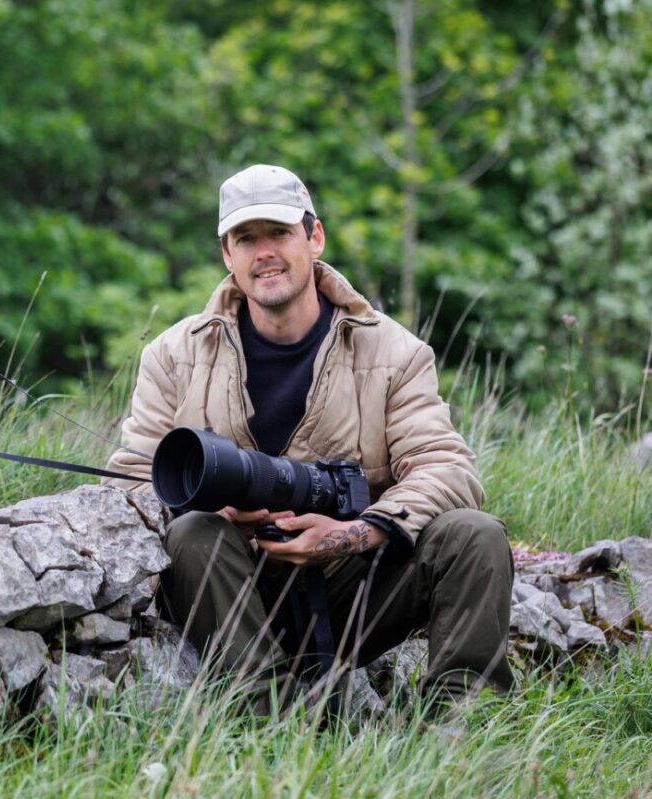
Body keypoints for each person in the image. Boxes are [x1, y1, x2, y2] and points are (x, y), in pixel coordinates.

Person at [105, 164, 513, 713]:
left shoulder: (395, 352)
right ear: (227, 254)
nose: (263, 252)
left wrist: (357, 532)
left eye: (278, 233)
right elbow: (128, 482)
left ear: (314, 237)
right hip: (226, 588)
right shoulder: (174, 354)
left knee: (475, 535)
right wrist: (211, 507)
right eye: (245, 239)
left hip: (351, 586)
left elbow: (448, 468)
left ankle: (459, 725)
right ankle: (260, 720)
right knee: (195, 533)